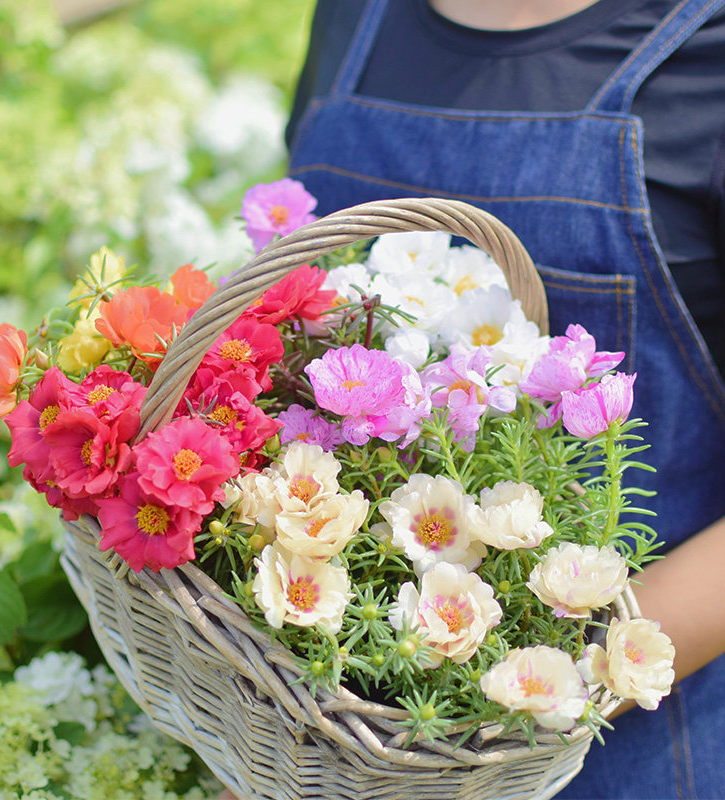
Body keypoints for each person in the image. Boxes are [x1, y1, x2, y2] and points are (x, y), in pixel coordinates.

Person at [219, 2, 725, 797]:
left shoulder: (706, 57)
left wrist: (488, 727)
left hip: (617, 741)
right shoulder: (356, 18)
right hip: (322, 728)